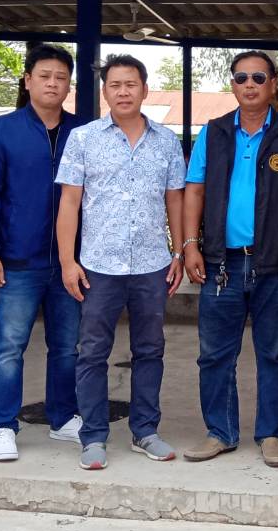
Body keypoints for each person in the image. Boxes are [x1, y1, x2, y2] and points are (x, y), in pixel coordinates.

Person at [56, 54, 186, 472]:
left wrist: (179, 252)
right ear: (104, 91)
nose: (123, 92)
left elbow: (175, 200)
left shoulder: (166, 141)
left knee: (150, 350)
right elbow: (69, 203)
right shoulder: (84, 139)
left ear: (145, 90)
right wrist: (68, 261)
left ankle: (145, 430)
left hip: (152, 264)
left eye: (131, 84)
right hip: (98, 266)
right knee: (93, 352)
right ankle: (93, 436)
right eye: (115, 85)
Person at [180, 51, 278, 468]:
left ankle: (272, 434)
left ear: (273, 83)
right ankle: (220, 432)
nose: (249, 84)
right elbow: (195, 189)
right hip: (223, 264)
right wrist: (190, 244)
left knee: (276, 354)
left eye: (258, 77)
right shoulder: (214, 132)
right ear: (232, 85)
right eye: (241, 78)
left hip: (275, 265)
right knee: (215, 355)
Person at [0, 44, 83, 462]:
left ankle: (63, 417)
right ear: (28, 80)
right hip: (17, 261)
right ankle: (3, 425)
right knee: (9, 348)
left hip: (69, 262)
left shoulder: (82, 132)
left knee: (67, 346)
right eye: (45, 76)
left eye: (61, 77)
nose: (53, 84)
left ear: (69, 85)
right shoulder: (2, 131)